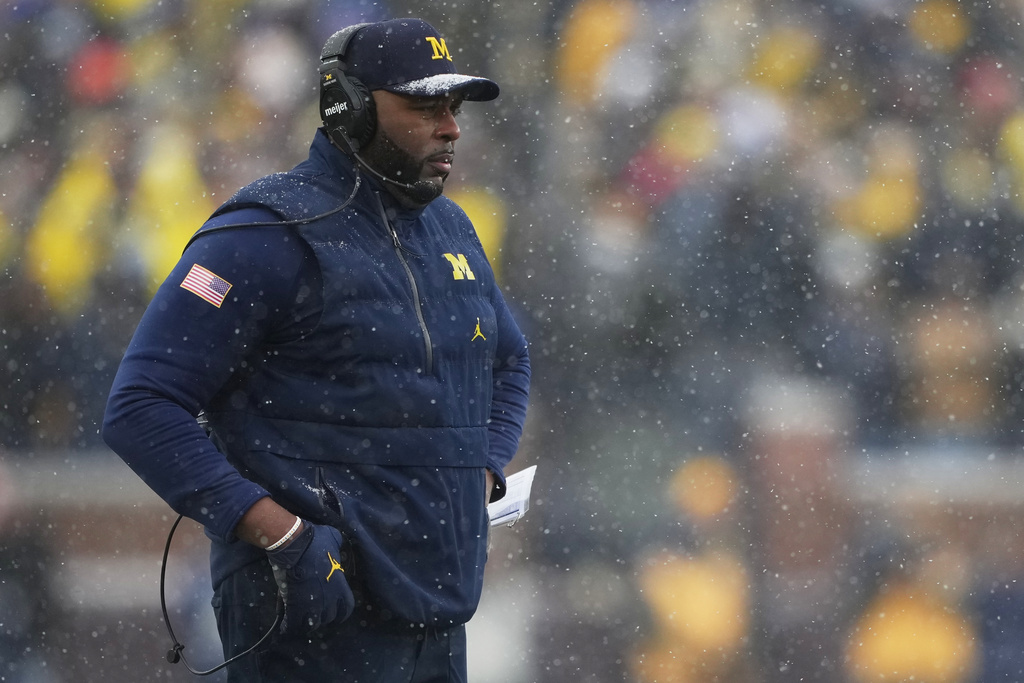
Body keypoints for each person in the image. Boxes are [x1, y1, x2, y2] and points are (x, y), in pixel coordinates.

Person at [102, 17, 531, 683]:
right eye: (424, 107)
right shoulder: (262, 233)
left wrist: (482, 468)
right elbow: (139, 406)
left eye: (453, 108)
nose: (450, 127)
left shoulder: (450, 225)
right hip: (309, 617)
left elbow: (509, 360)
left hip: (435, 608)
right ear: (350, 108)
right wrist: (279, 531)